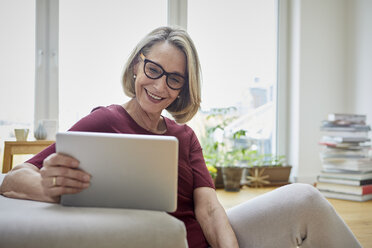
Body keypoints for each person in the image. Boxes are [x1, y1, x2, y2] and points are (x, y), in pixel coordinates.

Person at [0, 26, 361, 248]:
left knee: (304, 198)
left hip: (206, 240)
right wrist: (56, 189)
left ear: (183, 89)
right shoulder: (104, 121)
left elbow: (208, 208)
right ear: (137, 65)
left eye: (174, 79)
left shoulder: (184, 136)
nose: (159, 86)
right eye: (153, 70)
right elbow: (13, 180)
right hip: (155, 241)